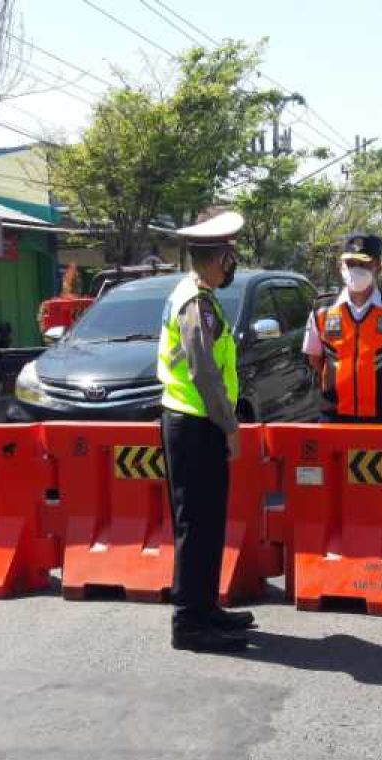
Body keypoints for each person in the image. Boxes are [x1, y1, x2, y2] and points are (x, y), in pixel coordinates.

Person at [157, 211, 254, 653]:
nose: (231, 265)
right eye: (230, 256)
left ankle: (206, 608)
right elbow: (203, 372)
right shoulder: (195, 301)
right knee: (196, 525)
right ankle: (190, 622)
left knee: (208, 521)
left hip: (197, 421)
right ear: (220, 259)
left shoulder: (198, 293)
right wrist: (230, 427)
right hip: (196, 423)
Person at [302, 233, 382, 424]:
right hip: (334, 415)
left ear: (378, 267)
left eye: (364, 264)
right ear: (340, 267)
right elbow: (314, 358)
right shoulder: (322, 309)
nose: (356, 270)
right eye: (350, 264)